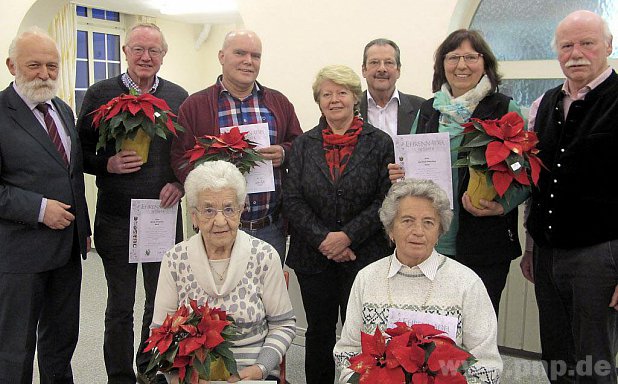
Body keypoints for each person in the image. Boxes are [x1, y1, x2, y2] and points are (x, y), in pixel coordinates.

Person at [76, 23, 188, 384]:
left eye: (154, 51)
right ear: (126, 51)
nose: (146, 57)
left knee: (160, 304)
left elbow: (185, 153)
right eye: (139, 49)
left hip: (163, 216)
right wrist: (105, 164)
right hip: (117, 219)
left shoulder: (177, 96)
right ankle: (120, 376)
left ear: (163, 55)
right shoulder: (99, 94)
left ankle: (151, 370)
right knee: (120, 307)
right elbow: (78, 154)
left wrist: (180, 182)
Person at [388, 29, 527, 317]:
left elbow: (522, 170)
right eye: (453, 57)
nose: (461, 65)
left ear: (484, 63)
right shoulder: (428, 111)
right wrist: (401, 173)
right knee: (429, 322)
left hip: (484, 238)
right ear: (442, 66)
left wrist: (503, 205)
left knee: (477, 323)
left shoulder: (503, 108)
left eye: (470, 57)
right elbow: (410, 165)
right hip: (432, 239)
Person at [520, 10, 618, 383]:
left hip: (600, 255)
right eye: (567, 45)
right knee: (557, 357)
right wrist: (531, 248)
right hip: (547, 255)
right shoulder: (542, 105)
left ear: (608, 46)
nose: (576, 53)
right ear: (557, 53)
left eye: (587, 43)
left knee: (595, 361)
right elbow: (536, 184)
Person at [283, 64, 394, 384]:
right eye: (326, 94)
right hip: (313, 258)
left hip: (364, 256)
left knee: (361, 333)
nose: (334, 100)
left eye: (341, 92)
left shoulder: (380, 142)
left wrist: (347, 237)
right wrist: (324, 240)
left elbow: (384, 199)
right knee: (318, 331)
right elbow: (292, 200)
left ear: (354, 98)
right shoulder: (303, 145)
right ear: (318, 101)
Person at [333, 179, 502, 384]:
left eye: (428, 222)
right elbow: (347, 352)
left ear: (439, 232)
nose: (418, 231)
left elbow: (487, 366)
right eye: (407, 221)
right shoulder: (367, 278)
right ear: (390, 230)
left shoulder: (466, 283)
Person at [0, 28, 90, 383]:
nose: (44, 74)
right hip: (20, 255)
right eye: (34, 65)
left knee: (61, 342)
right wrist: (39, 208)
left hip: (67, 251)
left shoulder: (63, 110)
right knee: (14, 348)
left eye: (52, 66)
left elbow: (71, 175)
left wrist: (82, 230)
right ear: (12, 66)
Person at [152, 160, 296, 382]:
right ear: (194, 216)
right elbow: (160, 330)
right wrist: (182, 376)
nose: (220, 221)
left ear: (240, 211)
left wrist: (260, 368)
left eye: (229, 209)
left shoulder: (264, 256)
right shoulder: (175, 260)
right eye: (208, 210)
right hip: (191, 376)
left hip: (252, 374)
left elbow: (283, 324)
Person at [170, 30, 302, 264]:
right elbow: (180, 158)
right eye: (240, 53)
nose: (248, 61)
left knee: (267, 298)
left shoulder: (278, 103)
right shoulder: (194, 105)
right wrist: (205, 183)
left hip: (268, 228)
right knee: (216, 295)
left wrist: (284, 152)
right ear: (222, 56)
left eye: (255, 55)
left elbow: (300, 147)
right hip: (216, 228)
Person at [359, 38, 425, 138]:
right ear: (364, 70)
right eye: (374, 62)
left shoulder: (421, 108)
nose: (382, 69)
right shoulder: (351, 108)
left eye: (388, 62)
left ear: (398, 70)